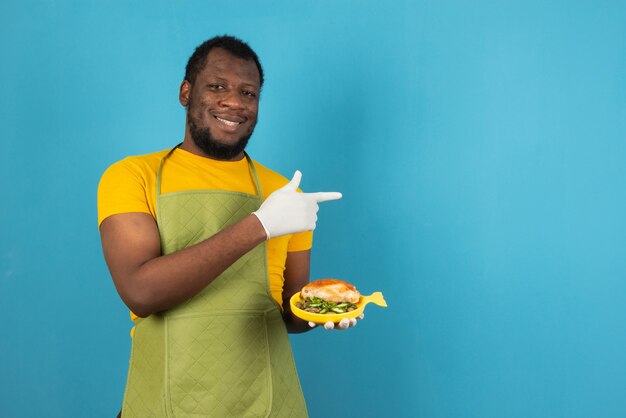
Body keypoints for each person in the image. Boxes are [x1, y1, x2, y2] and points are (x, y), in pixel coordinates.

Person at [98, 35, 356, 418]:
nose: (234, 102)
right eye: (217, 86)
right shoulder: (133, 175)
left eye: (248, 93)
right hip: (165, 399)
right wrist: (260, 225)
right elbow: (141, 291)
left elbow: (290, 312)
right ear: (186, 92)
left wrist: (323, 311)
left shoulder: (283, 191)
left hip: (268, 401)